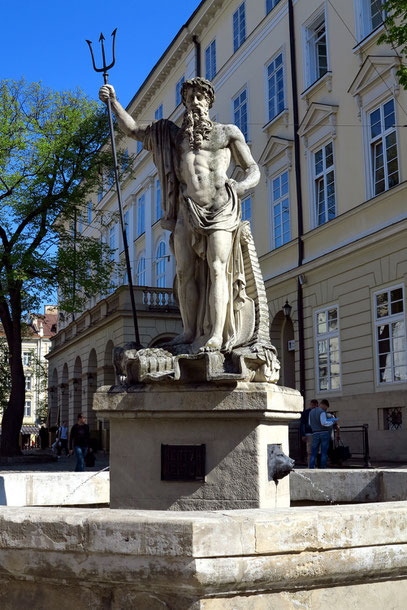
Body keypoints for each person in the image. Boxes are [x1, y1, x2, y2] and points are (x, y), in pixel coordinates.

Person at [99, 77, 261, 354]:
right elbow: (134, 130)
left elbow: (253, 170)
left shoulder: (227, 133)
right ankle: (188, 332)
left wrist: (240, 186)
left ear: (209, 101)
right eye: (190, 98)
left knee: (218, 269)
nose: (195, 103)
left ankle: (216, 336)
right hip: (187, 210)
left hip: (221, 208)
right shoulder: (173, 136)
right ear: (184, 103)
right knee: (185, 272)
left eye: (200, 97)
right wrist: (113, 102)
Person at [309, 399, 338, 469]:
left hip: (315, 433)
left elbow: (309, 423)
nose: (326, 409)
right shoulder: (322, 412)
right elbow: (323, 423)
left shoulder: (311, 412)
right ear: (324, 405)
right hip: (323, 433)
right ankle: (323, 467)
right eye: (326, 407)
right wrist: (332, 422)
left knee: (313, 452)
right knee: (324, 452)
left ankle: (311, 466)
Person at [300, 399, 318, 466]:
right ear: (310, 405)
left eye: (315, 405)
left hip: (317, 433)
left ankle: (315, 465)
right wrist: (303, 434)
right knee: (309, 451)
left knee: (316, 451)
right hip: (309, 433)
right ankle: (310, 466)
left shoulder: (319, 413)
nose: (313, 407)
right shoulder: (306, 413)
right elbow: (302, 424)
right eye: (312, 405)